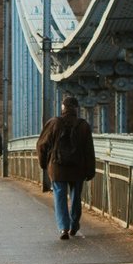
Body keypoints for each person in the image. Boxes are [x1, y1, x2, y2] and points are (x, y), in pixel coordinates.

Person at [36, 96, 96, 239]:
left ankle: (64, 228)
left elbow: (41, 145)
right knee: (75, 197)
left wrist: (43, 163)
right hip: (78, 167)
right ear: (76, 109)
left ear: (62, 108)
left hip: (57, 167)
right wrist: (90, 170)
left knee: (59, 197)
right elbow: (89, 150)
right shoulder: (83, 125)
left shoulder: (54, 123)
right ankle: (74, 225)